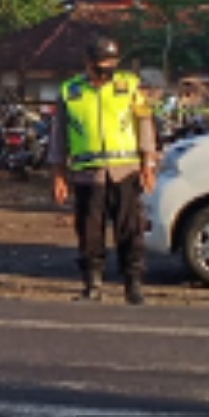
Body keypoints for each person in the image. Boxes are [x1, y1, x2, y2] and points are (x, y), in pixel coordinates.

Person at [51, 38, 159, 304]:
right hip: (88, 174)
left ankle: (133, 284)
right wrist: (58, 174)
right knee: (89, 232)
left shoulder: (130, 86)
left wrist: (148, 164)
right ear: (88, 64)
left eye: (111, 67)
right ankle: (92, 283)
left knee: (129, 230)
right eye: (101, 68)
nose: (106, 73)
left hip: (125, 171)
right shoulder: (70, 91)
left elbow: (144, 124)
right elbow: (59, 136)